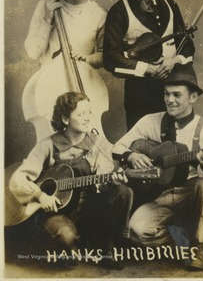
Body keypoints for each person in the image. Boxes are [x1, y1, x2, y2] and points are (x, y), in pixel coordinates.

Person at [112, 63, 203, 271]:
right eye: (166, 94)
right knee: (137, 231)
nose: (169, 100)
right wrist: (132, 154)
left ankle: (201, 244)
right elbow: (118, 147)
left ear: (193, 97)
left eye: (177, 95)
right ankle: (183, 237)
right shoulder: (150, 121)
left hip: (191, 194)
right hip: (161, 195)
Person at [9, 91, 133, 269]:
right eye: (81, 114)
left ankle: (104, 247)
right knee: (67, 242)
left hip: (88, 209)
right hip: (57, 211)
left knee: (123, 191)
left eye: (89, 112)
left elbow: (105, 183)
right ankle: (71, 244)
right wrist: (41, 195)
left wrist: (113, 181)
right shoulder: (47, 145)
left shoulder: (97, 143)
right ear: (65, 119)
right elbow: (18, 179)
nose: (87, 118)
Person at [103, 0, 195, 130]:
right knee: (143, 150)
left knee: (175, 148)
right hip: (140, 96)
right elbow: (111, 58)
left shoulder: (171, 5)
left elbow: (187, 46)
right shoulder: (119, 11)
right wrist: (148, 68)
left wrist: (174, 61)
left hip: (174, 92)